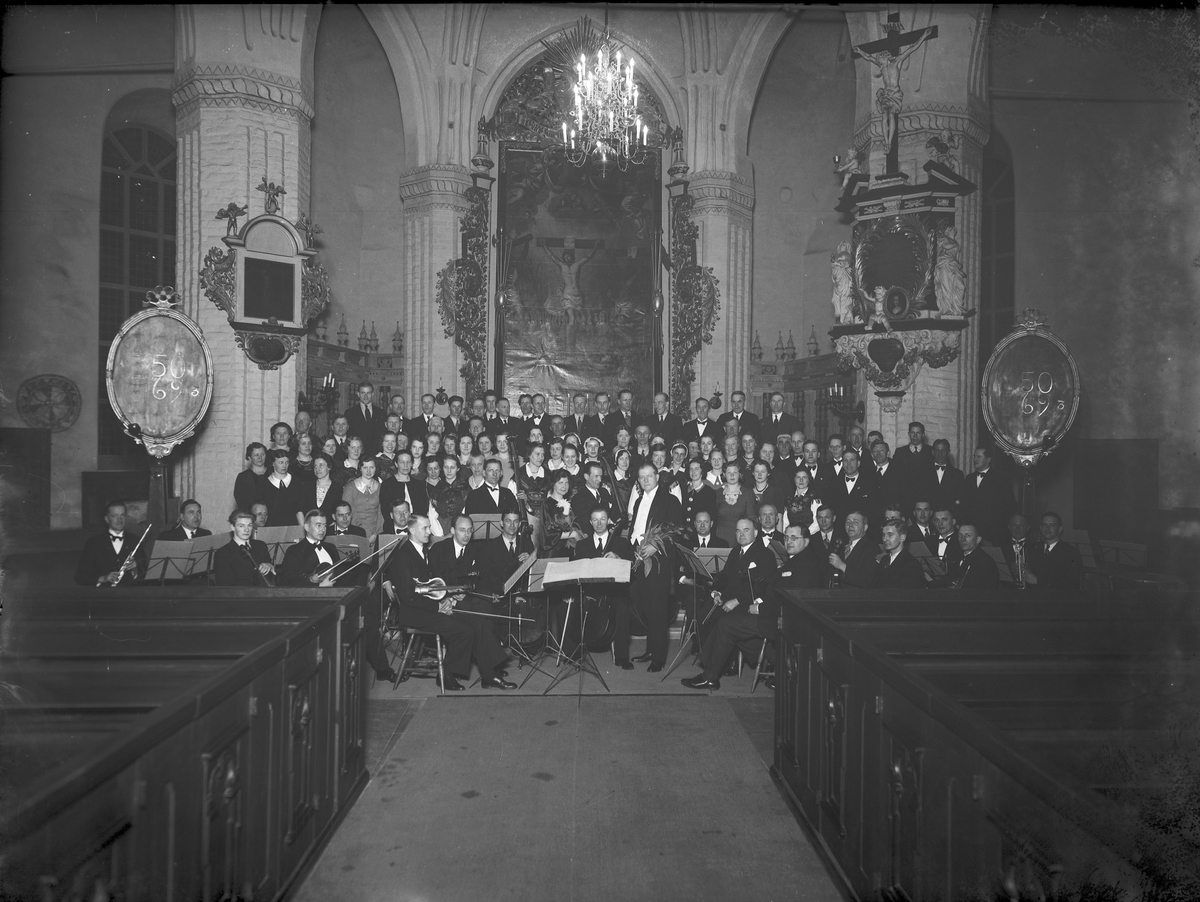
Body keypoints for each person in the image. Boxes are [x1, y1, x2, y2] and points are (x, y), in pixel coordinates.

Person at [385, 514, 514, 691]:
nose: (429, 532)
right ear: (412, 530)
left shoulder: (421, 551)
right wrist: (438, 606)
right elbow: (409, 597)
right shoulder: (404, 555)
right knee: (465, 631)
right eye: (425, 528)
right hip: (416, 614)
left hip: (429, 607)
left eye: (429, 527)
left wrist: (447, 599)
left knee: (479, 622)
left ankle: (489, 674)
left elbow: (432, 586)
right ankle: (446, 674)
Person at [680, 518, 778, 691]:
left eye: (746, 530)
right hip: (728, 600)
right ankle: (722, 660)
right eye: (738, 531)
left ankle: (712, 673)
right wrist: (717, 592)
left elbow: (763, 588)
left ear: (755, 532)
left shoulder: (765, 555)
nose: (741, 534)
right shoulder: (735, 552)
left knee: (723, 623)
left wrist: (737, 601)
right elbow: (725, 578)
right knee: (701, 619)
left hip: (748, 604)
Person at [625, 463, 684, 671]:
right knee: (646, 607)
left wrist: (655, 547)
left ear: (657, 476)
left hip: (659, 562)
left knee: (658, 610)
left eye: (649, 476)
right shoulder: (639, 500)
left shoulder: (670, 500)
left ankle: (659, 657)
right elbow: (635, 529)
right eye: (642, 477)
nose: (646, 480)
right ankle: (650, 650)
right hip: (639, 560)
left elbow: (676, 532)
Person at [571, 507, 636, 666]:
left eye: (602, 519)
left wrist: (618, 559)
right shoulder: (582, 545)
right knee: (573, 606)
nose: (599, 523)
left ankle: (621, 656)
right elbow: (576, 571)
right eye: (595, 519)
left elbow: (632, 569)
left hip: (615, 591)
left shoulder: (621, 543)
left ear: (608, 521)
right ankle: (577, 654)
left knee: (622, 606)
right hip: (591, 592)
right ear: (590, 522)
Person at [75, 501, 148, 586]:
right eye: (114, 516)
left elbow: (146, 573)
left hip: (130, 593)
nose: (119, 520)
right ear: (106, 519)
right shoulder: (93, 543)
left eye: (122, 515)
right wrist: (103, 578)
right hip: (104, 595)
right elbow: (80, 577)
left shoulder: (135, 541)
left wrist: (135, 568)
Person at [959, 445, 1015, 545]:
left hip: (992, 532)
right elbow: (964, 505)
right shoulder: (969, 479)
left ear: (988, 459)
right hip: (972, 532)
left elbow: (1008, 506)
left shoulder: (1000, 479)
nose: (975, 459)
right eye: (974, 456)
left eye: (979, 457)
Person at [277, 510, 344, 587]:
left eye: (325, 525)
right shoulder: (295, 550)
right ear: (307, 527)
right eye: (318, 525)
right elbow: (287, 582)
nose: (323, 529)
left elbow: (340, 577)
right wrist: (319, 586)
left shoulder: (331, 548)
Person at [1024, 511, 1083, 597]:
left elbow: (1071, 584)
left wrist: (1038, 581)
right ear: (1040, 528)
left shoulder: (1071, 552)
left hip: (1057, 602)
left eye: (1052, 525)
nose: (1047, 528)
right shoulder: (1033, 549)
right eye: (1044, 525)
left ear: (1059, 529)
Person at [212, 509, 275, 587]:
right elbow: (226, 586)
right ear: (232, 527)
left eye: (250, 525)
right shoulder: (223, 553)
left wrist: (269, 565)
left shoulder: (261, 546)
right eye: (241, 526)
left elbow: (271, 576)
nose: (246, 530)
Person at [934, 523, 1000, 589]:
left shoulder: (986, 562)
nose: (962, 539)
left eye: (967, 535)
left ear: (978, 539)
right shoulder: (957, 556)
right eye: (960, 535)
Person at [380, 450, 430, 531]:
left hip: (417, 529)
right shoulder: (387, 484)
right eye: (402, 462)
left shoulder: (419, 485)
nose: (405, 465)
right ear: (396, 464)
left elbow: (423, 509)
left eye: (408, 462)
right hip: (394, 529)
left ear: (412, 464)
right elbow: (386, 511)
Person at [828, 510, 877, 587]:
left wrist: (842, 566)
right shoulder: (841, 547)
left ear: (865, 527)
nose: (850, 525)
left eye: (856, 522)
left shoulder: (872, 548)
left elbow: (868, 580)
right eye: (848, 522)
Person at [872, 519, 926, 588]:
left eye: (890, 535)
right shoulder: (884, 560)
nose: (885, 539)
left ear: (902, 537)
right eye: (883, 535)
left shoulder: (912, 565)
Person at [714, 462, 756, 546]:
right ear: (724, 475)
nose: (732, 475)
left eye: (735, 472)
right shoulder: (717, 493)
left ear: (740, 474)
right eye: (729, 473)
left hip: (741, 535)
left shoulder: (748, 493)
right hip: (720, 535)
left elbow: (751, 518)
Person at [342, 456, 384, 537]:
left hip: (375, 533)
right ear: (360, 468)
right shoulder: (350, 487)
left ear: (376, 468)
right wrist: (360, 531)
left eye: (371, 467)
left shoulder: (380, 487)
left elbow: (381, 513)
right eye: (365, 467)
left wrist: (376, 533)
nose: (368, 471)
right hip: (355, 531)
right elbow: (347, 512)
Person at [541, 470, 580, 556]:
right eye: (560, 483)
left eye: (566, 483)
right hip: (554, 552)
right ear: (553, 484)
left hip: (568, 549)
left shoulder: (568, 503)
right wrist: (574, 534)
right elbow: (549, 533)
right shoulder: (547, 504)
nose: (564, 486)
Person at [261, 449, 302, 527]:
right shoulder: (264, 484)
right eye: (281, 462)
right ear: (273, 463)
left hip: (292, 527)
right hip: (271, 527)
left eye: (286, 462)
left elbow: (299, 510)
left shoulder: (296, 482)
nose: (284, 466)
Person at [295, 452, 340, 521]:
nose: (317, 469)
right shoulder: (306, 486)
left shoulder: (337, 488)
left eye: (321, 465)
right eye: (315, 466)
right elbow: (299, 510)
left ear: (329, 467)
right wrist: (304, 528)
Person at [930, 438, 965, 517]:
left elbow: (960, 500)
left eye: (943, 451)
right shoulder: (924, 473)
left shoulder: (958, 474)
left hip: (949, 519)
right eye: (937, 450)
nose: (940, 454)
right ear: (932, 452)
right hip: (928, 519)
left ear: (948, 452)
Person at [782, 468, 821, 534]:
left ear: (809, 480)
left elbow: (817, 522)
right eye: (798, 477)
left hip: (809, 536)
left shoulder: (814, 498)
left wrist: (804, 534)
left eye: (804, 477)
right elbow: (785, 521)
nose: (801, 480)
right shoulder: (789, 499)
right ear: (794, 480)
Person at [234, 441, 269, 512]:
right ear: (249, 458)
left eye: (262, 454)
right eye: (256, 455)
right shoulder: (243, 477)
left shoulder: (273, 473)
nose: (260, 458)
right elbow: (241, 501)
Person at [681, 458, 718, 526]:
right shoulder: (682, 490)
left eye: (696, 469)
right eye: (691, 469)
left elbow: (712, 517)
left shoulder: (709, 492)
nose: (693, 472)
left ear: (702, 471)